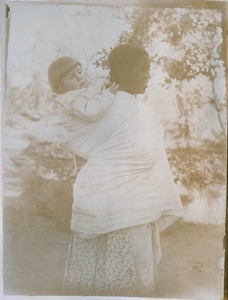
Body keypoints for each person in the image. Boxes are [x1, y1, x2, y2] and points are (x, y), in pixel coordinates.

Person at [49, 45, 184, 297]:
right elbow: (136, 154)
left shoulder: (103, 102)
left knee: (94, 279)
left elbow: (88, 146)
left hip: (95, 202)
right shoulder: (114, 105)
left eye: (149, 70)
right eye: (142, 70)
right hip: (129, 210)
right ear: (122, 71)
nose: (147, 75)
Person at [48, 56, 118, 123]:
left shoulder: (86, 87)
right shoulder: (70, 100)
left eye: (79, 72)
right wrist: (107, 95)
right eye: (71, 77)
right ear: (60, 86)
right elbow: (91, 112)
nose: (79, 77)